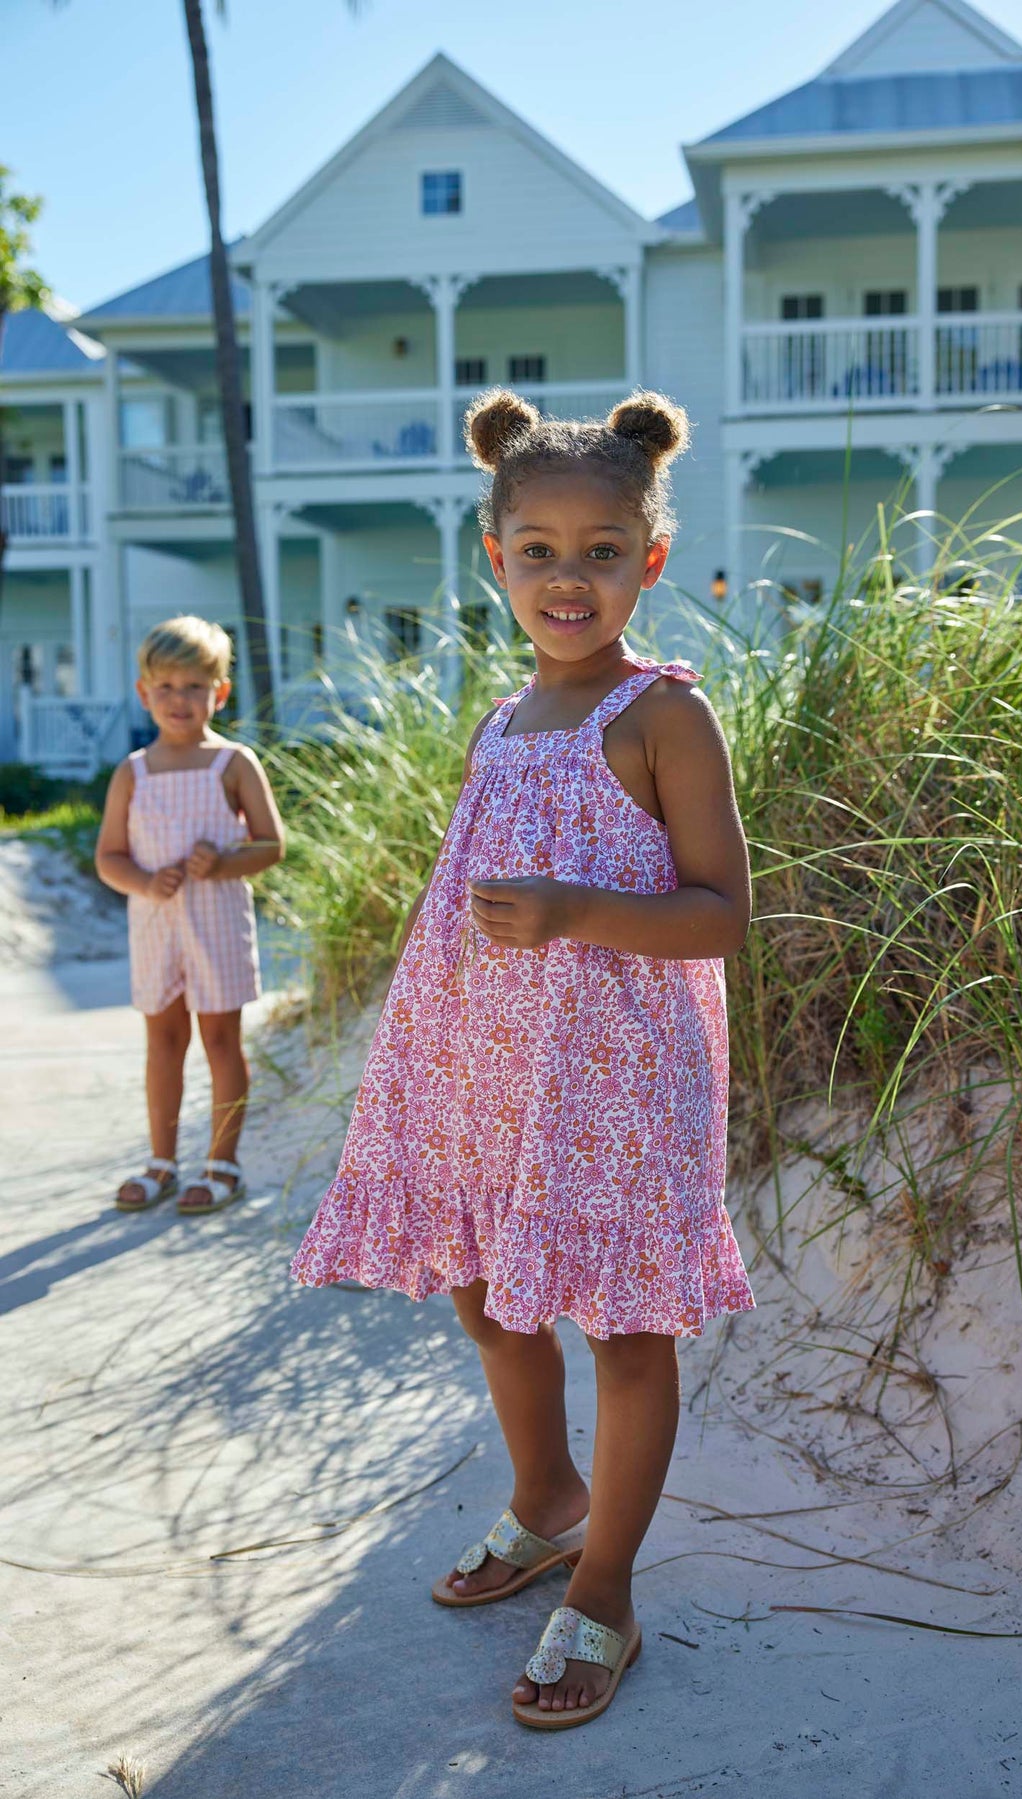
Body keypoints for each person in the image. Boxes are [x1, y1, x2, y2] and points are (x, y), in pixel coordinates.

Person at [292, 389, 754, 1729]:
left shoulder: (664, 715)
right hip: (486, 1068)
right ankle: (547, 1494)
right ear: (495, 557)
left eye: (601, 549)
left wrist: (569, 909)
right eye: (538, 549)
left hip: (614, 1080)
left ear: (650, 559)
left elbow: (722, 912)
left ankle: (604, 1580)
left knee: (620, 1321)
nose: (569, 577)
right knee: (488, 1291)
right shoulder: (500, 721)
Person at [95, 616, 285, 1214]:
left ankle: (222, 1163)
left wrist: (224, 861)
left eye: (195, 687)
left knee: (221, 1040)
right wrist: (146, 880)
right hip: (156, 925)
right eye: (167, 687)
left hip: (216, 923)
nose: (181, 700)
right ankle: (161, 1161)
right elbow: (108, 857)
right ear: (144, 693)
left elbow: (270, 844)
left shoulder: (232, 764)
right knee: (163, 1041)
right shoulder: (134, 771)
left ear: (219, 692)